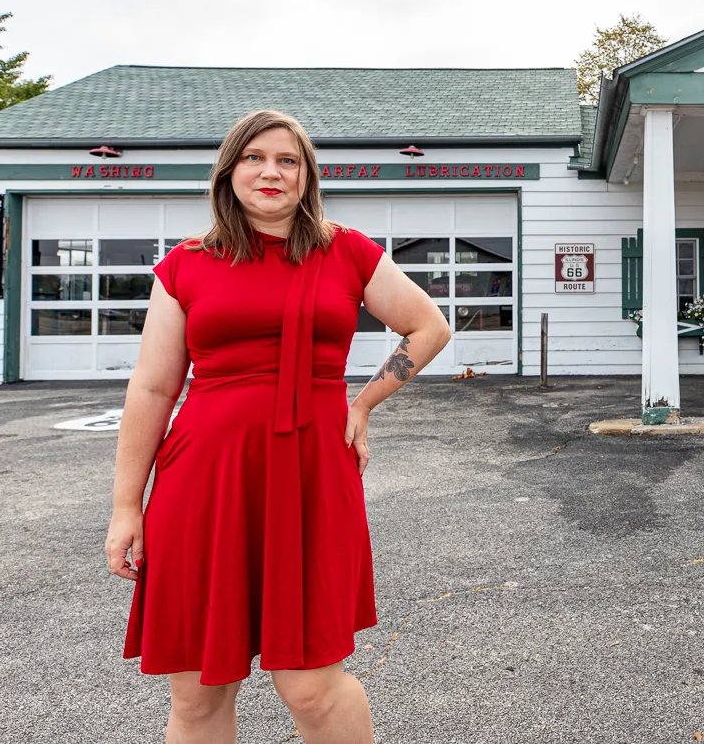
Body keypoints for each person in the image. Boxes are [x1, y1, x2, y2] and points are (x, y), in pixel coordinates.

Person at [105, 110, 451, 743]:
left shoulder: (346, 250)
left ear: (306, 175)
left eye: (287, 160)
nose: (271, 171)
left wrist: (363, 402)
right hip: (203, 479)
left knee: (311, 685)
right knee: (199, 691)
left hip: (314, 476)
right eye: (254, 158)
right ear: (229, 171)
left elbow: (428, 326)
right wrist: (127, 506)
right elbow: (154, 388)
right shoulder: (185, 265)